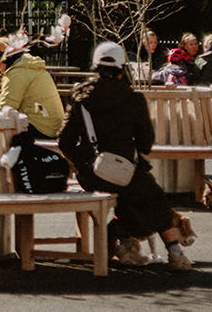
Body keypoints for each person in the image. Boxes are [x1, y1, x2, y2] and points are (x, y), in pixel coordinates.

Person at [58, 41, 194, 270]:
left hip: (92, 173)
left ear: (95, 67)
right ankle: (174, 252)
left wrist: (85, 163)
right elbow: (146, 144)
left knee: (132, 195)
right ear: (123, 69)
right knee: (151, 195)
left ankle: (125, 245)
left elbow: (64, 141)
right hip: (127, 172)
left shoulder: (80, 97)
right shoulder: (133, 99)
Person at [0, 36, 65, 139]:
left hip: (41, 129)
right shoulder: (28, 66)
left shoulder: (17, 73)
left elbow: (5, 108)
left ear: (4, 57)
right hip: (53, 127)